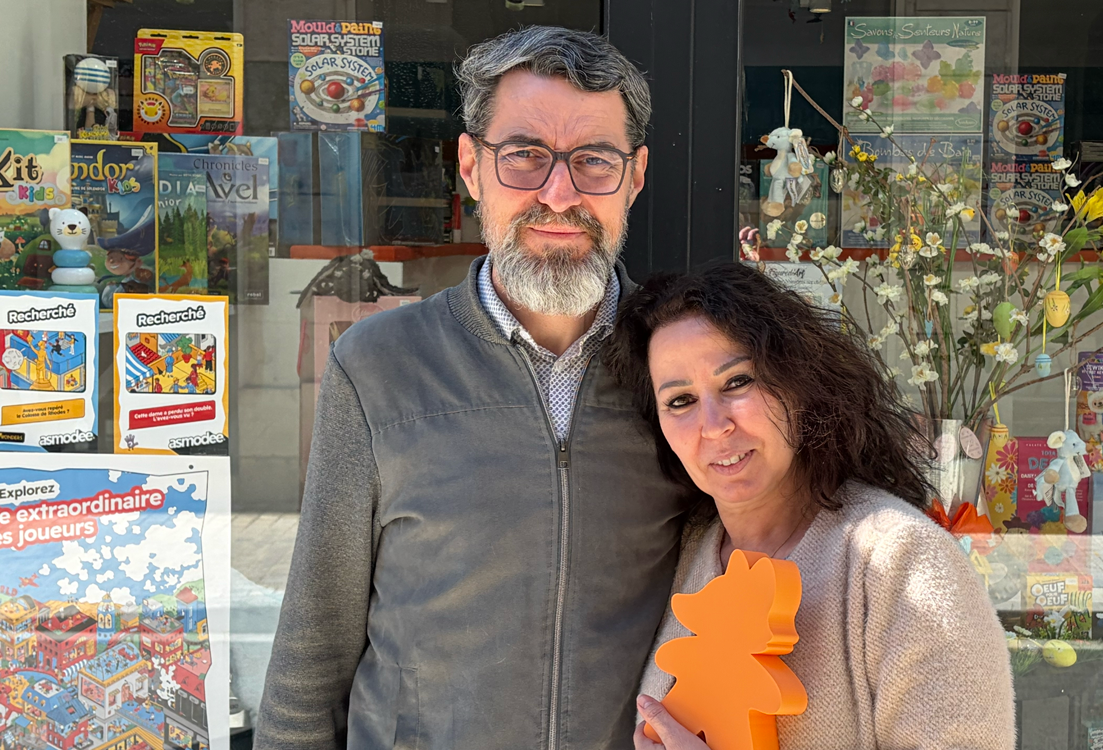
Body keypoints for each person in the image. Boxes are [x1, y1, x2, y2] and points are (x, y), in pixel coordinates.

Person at [254, 27, 695, 750]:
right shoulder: (378, 367)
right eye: (524, 156)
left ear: (635, 176)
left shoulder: (684, 375)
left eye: (594, 161)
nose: (559, 194)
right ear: (470, 165)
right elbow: (314, 651)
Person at [604, 263, 1015, 750]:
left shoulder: (900, 561)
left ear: (797, 383)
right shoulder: (684, 550)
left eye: (737, 382)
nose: (713, 425)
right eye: (680, 401)